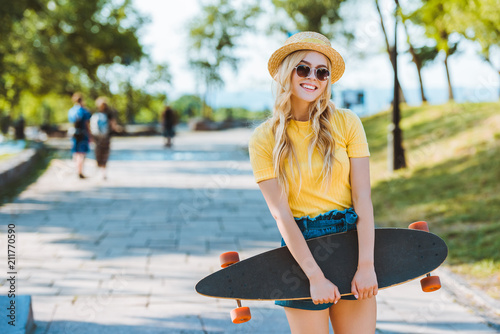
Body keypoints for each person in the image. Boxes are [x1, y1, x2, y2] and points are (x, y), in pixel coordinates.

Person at [248, 32, 378, 333]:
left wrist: (366, 266)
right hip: (300, 252)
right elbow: (281, 214)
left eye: (322, 72)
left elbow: (362, 200)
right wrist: (314, 276)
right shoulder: (264, 138)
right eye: (303, 68)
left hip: (350, 241)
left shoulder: (347, 122)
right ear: (287, 73)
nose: (313, 78)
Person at [91, 97, 117, 180]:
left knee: (98, 153)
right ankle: (103, 173)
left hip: (97, 138)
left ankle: (97, 170)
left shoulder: (95, 113)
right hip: (106, 137)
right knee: (105, 154)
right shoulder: (109, 114)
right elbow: (113, 126)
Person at [68, 92, 92, 179]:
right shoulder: (85, 111)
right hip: (83, 133)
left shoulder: (71, 111)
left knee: (75, 152)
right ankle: (80, 171)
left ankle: (77, 169)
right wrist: (90, 135)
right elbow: (87, 124)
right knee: (82, 153)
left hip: (74, 134)